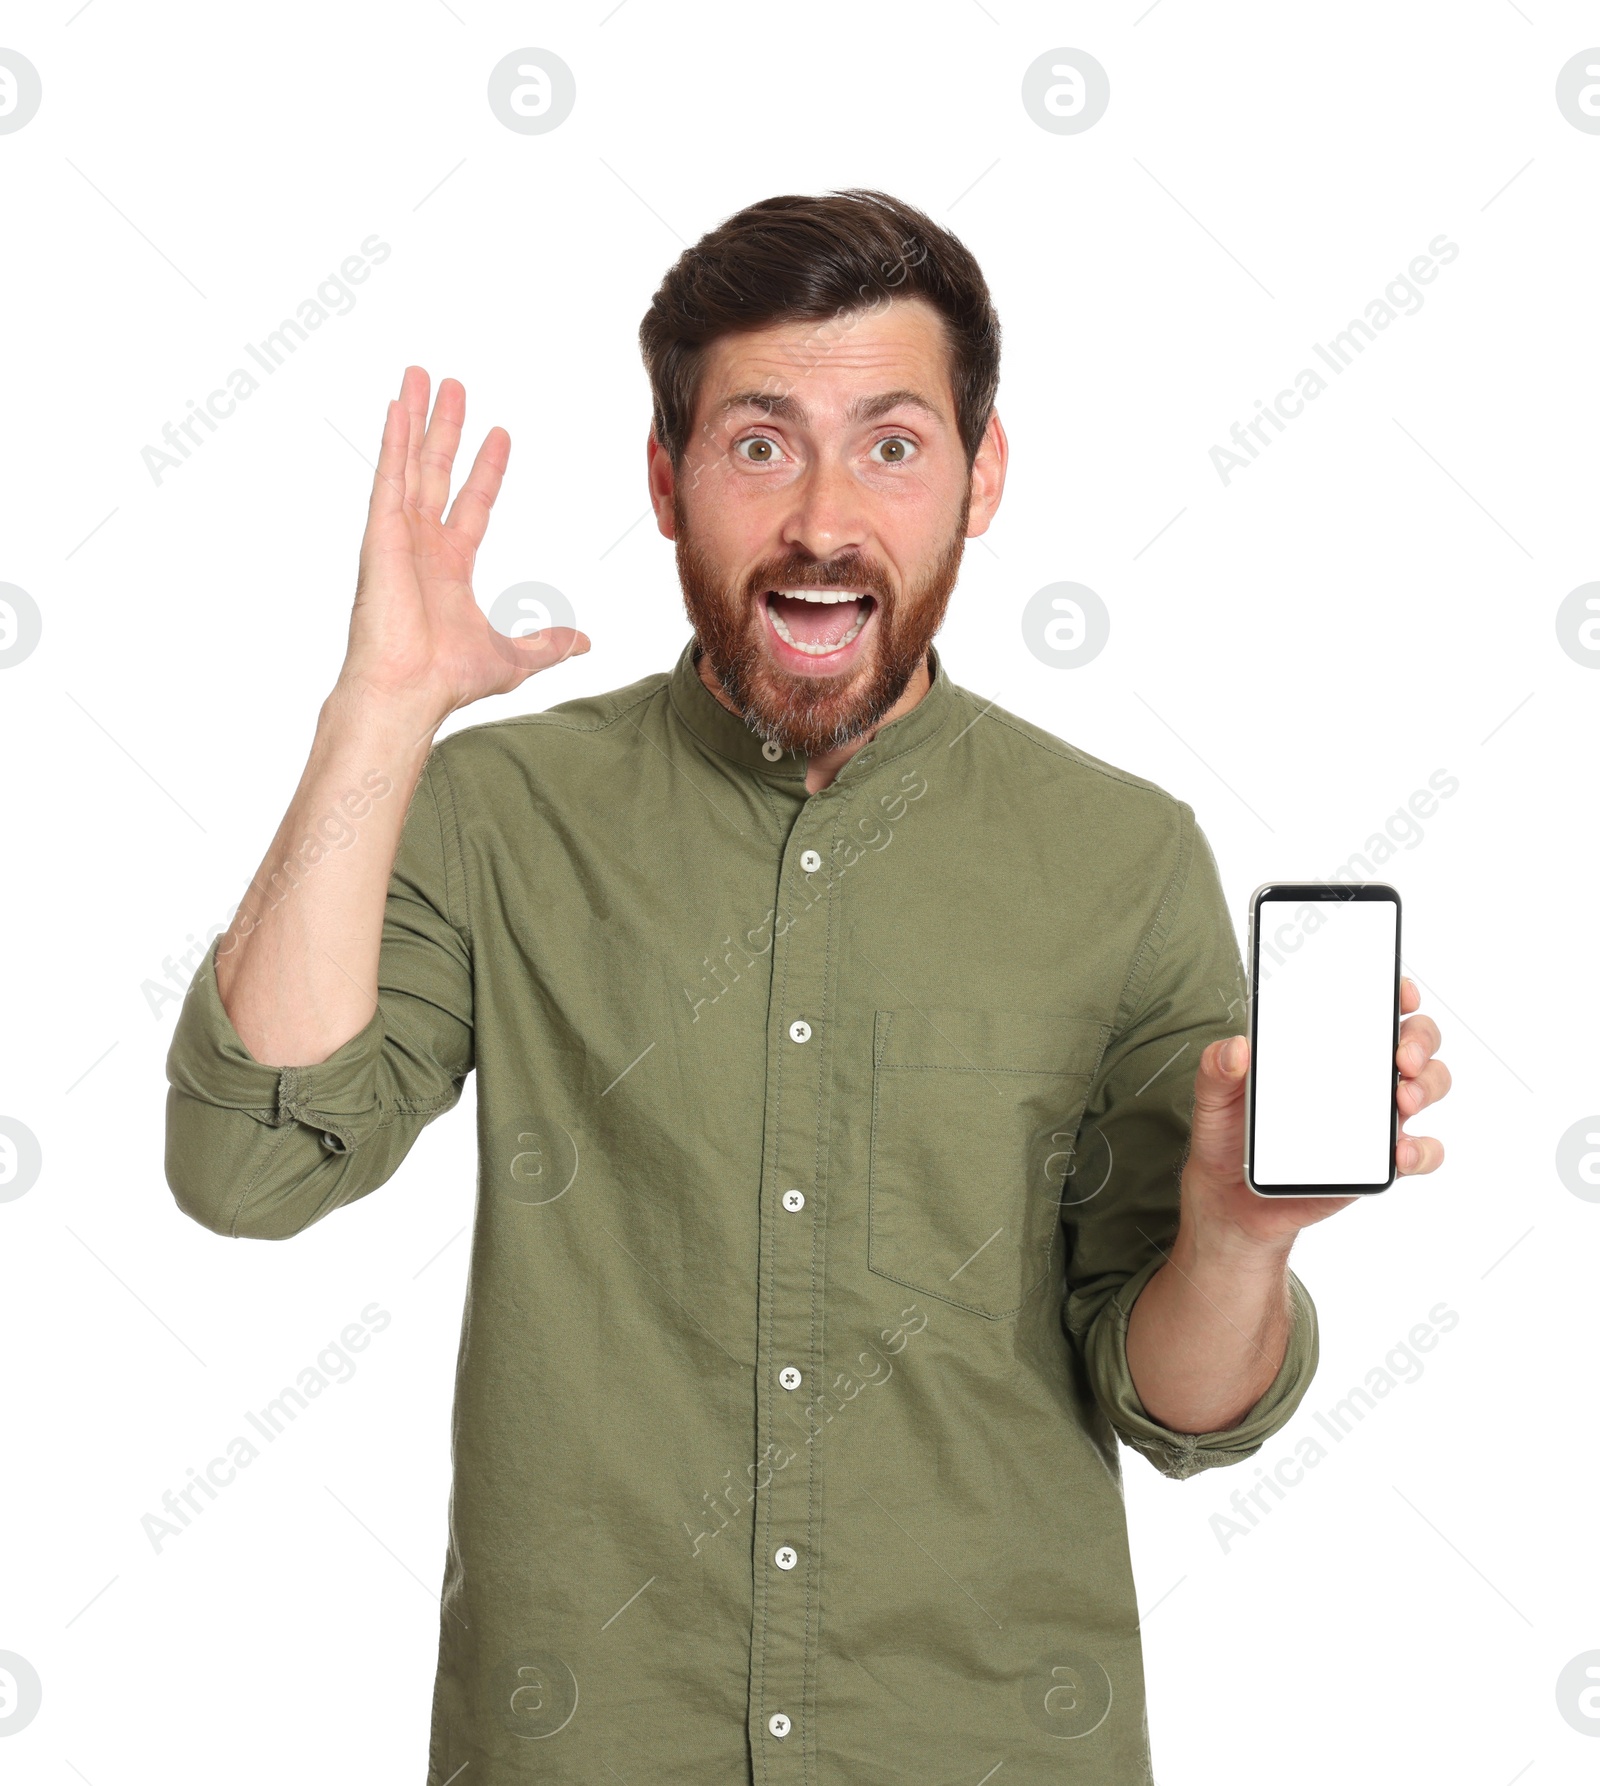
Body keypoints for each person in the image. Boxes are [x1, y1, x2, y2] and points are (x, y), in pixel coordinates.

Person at [164, 188, 1450, 1783]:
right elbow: (250, 1162)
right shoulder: (497, 816)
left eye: (893, 444)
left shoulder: (1120, 857)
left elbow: (1183, 1404)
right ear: (665, 477)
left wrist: (1239, 1236)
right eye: (760, 442)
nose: (825, 519)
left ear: (984, 476)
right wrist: (377, 713)